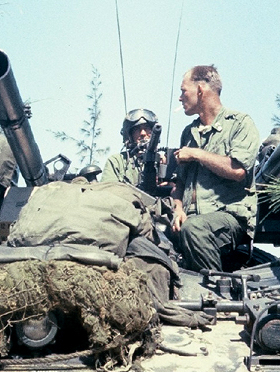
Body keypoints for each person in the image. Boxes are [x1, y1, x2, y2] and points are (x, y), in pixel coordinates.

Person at [170, 65, 260, 272]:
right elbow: (180, 183)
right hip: (190, 220)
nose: (180, 98)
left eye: (184, 91)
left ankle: (217, 294)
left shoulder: (239, 123)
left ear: (200, 90)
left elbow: (237, 170)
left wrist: (196, 154)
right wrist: (178, 210)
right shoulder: (188, 132)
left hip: (228, 217)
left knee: (195, 229)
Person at [102, 108, 159, 185]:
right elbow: (108, 190)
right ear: (129, 135)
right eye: (137, 129)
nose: (142, 133)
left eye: (147, 128)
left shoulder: (164, 161)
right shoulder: (117, 162)